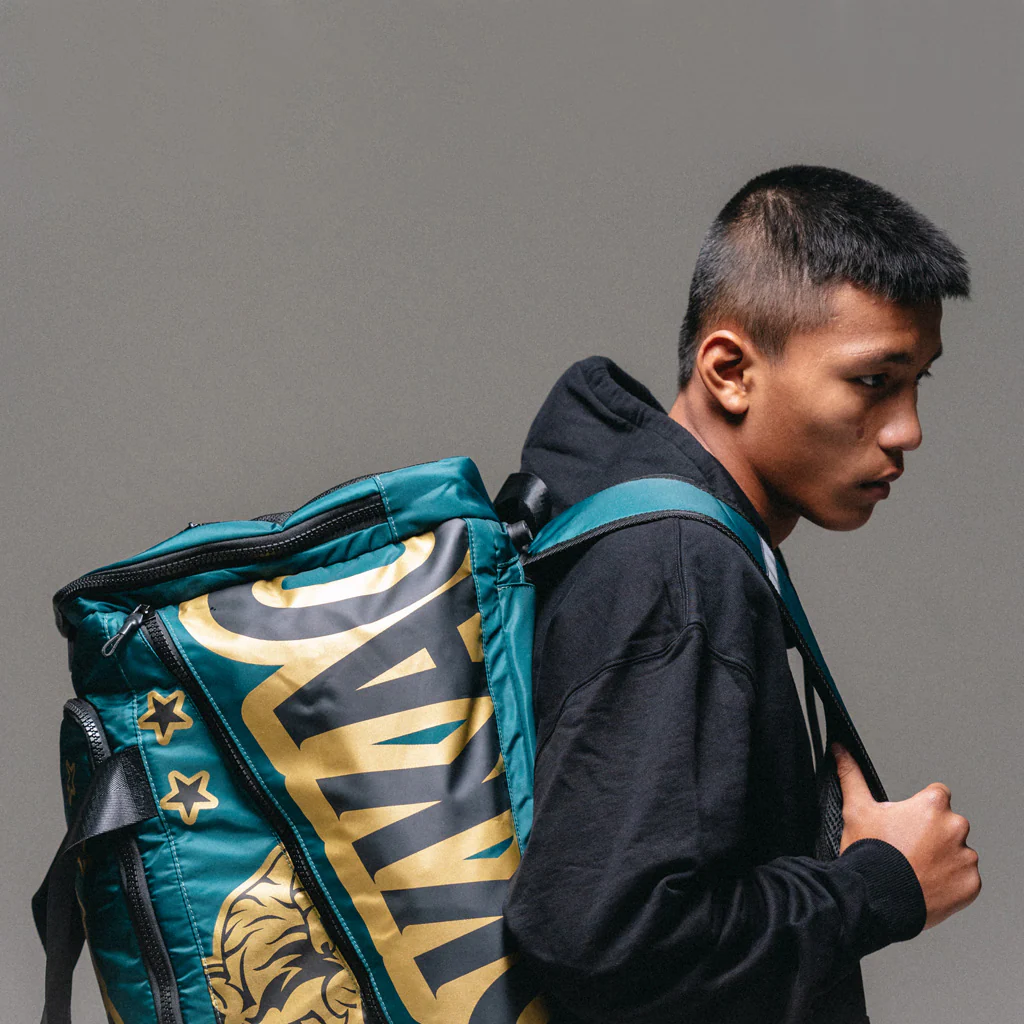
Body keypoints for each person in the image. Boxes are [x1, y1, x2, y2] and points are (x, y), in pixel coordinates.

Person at [504, 165, 982, 1024]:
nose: (908, 429)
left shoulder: (648, 527)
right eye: (874, 381)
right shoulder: (678, 566)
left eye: (918, 382)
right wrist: (881, 887)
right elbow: (605, 937)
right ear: (730, 370)